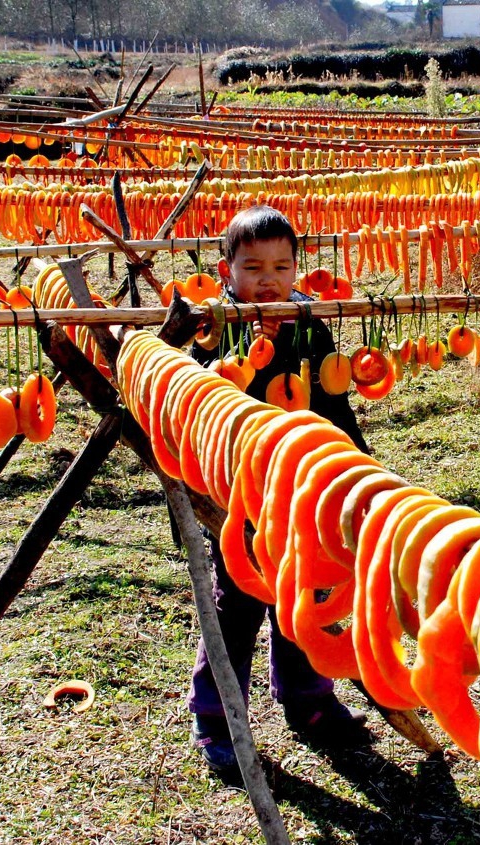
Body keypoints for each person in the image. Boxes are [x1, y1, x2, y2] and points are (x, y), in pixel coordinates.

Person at [187, 205, 372, 777]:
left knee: (307, 595)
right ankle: (216, 718)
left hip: (305, 492)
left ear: (298, 269)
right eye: (253, 266)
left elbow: (333, 406)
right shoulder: (212, 332)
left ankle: (307, 697)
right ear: (226, 271)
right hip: (238, 495)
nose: (268, 279)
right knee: (237, 604)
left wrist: (356, 462)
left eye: (281, 265)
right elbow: (197, 407)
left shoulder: (311, 328)